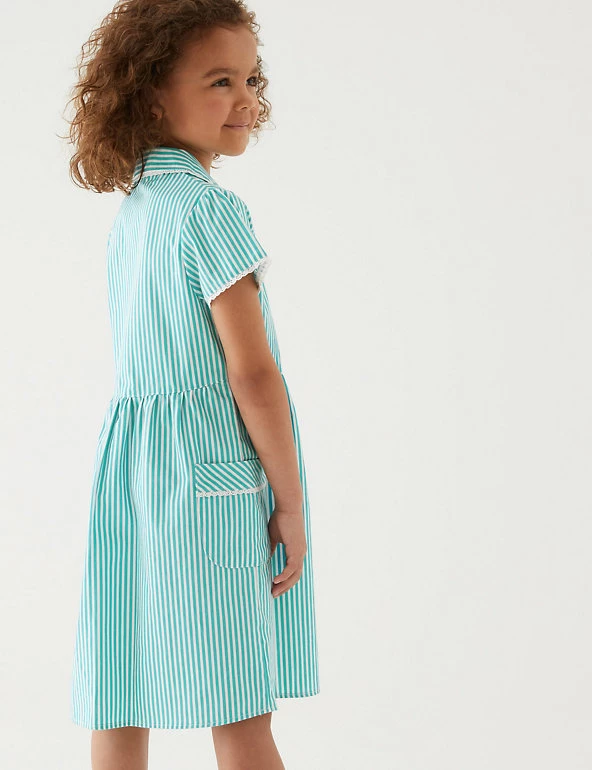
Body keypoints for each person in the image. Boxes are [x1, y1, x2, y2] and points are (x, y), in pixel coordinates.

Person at [64, 1, 320, 767]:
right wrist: (289, 501)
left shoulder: (137, 212)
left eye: (251, 79)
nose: (245, 98)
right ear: (151, 97)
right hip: (211, 476)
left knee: (122, 685)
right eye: (219, 80)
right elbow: (252, 372)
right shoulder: (210, 210)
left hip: (132, 472)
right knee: (238, 703)